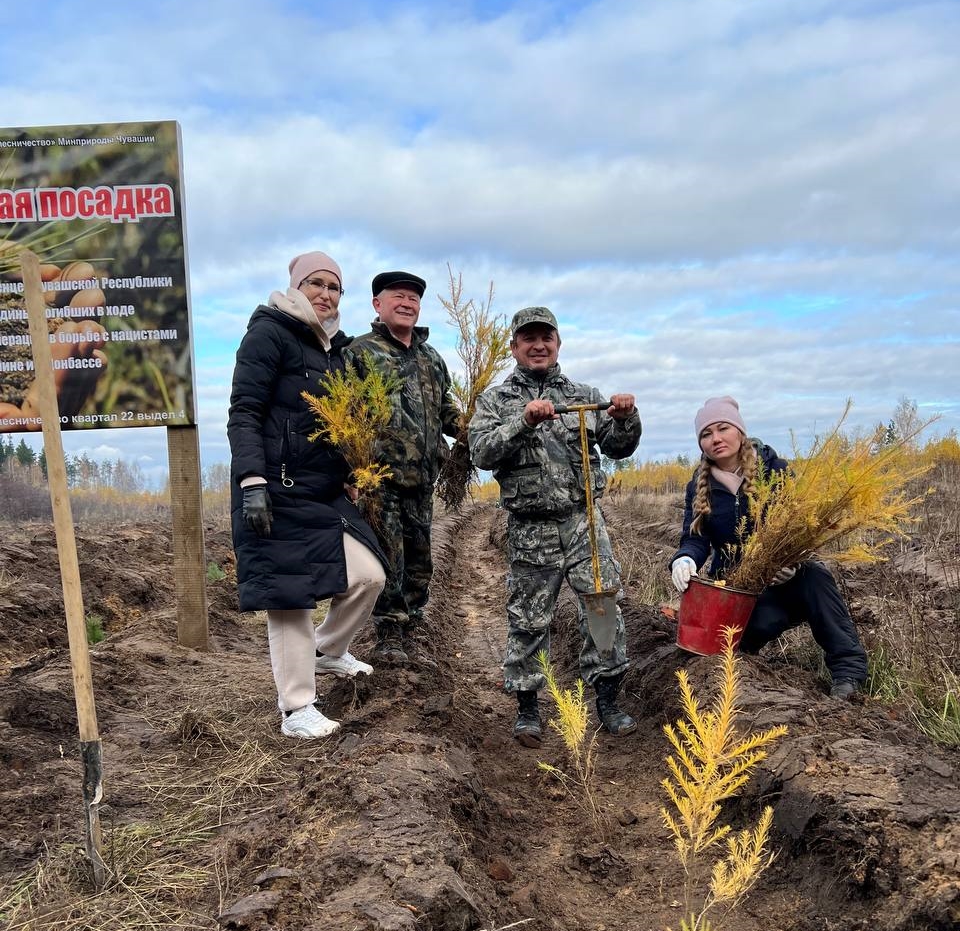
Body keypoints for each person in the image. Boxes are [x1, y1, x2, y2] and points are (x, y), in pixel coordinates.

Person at [227, 250, 387, 739]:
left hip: (321, 494)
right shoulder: (269, 333)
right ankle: (296, 709)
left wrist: (351, 468)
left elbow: (334, 422)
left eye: (334, 286)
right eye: (315, 283)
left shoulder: (333, 350)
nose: (325, 293)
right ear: (296, 287)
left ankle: (329, 651)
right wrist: (251, 482)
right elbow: (245, 411)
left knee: (369, 575)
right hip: (273, 491)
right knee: (290, 599)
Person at [468, 306, 642, 744]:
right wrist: (524, 421)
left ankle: (606, 698)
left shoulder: (584, 393)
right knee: (528, 619)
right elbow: (482, 453)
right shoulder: (496, 400)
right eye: (528, 338)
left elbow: (619, 446)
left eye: (546, 337)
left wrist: (625, 417)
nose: (538, 345)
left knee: (602, 608)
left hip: (584, 521)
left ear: (558, 343)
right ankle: (528, 707)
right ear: (514, 347)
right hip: (530, 528)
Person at [669, 396, 868, 699]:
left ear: (740, 431)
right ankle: (744, 655)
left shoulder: (776, 470)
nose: (716, 439)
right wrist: (684, 560)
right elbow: (695, 539)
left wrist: (794, 563)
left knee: (815, 576)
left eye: (723, 428)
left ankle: (848, 672)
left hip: (780, 584)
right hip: (736, 590)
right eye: (706, 434)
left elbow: (800, 530)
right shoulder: (699, 484)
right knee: (724, 651)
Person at [345, 270, 460, 665]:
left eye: (413, 297)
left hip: (423, 480)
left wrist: (471, 432)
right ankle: (388, 636)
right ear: (377, 304)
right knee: (388, 558)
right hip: (380, 482)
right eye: (397, 296)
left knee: (419, 558)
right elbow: (345, 417)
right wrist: (352, 474)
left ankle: (412, 629)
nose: (406, 303)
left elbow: (446, 410)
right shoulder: (359, 353)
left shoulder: (431, 358)